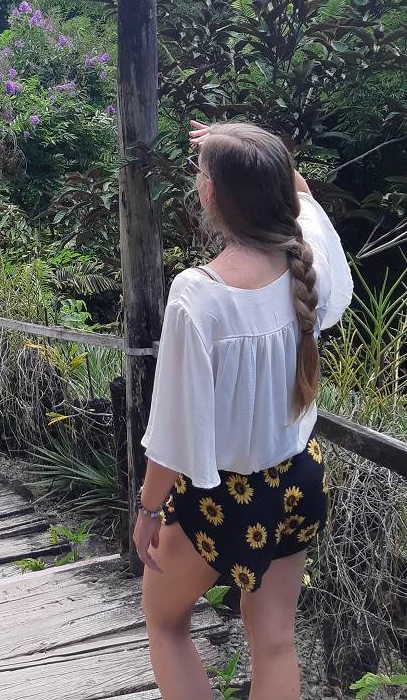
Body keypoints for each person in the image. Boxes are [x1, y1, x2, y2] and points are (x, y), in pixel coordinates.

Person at [135, 120, 353, 700]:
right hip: (300, 479)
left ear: (212, 195)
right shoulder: (306, 260)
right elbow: (301, 194)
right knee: (276, 640)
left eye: (202, 173)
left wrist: (149, 510)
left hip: (225, 496)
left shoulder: (198, 294)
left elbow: (175, 432)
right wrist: (244, 144)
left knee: (164, 620)